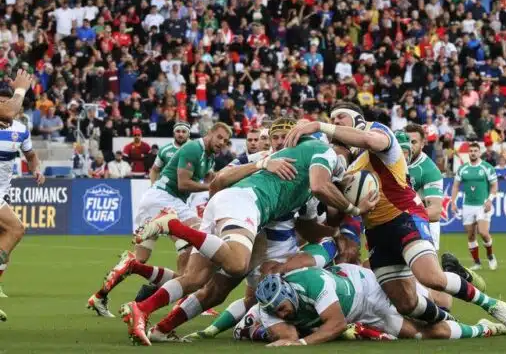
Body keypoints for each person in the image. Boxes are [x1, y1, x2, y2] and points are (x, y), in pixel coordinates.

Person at [283, 101, 506, 332]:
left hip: (404, 217)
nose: (334, 123)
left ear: (356, 120)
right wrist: (343, 202)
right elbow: (335, 218)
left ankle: (494, 305)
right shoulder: (343, 164)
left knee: (431, 278)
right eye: (331, 120)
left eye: (339, 118)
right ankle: (450, 320)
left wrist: (319, 125)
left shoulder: (377, 130)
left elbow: (368, 140)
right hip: (376, 232)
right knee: (406, 303)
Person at [123, 126, 362, 346]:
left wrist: (337, 232)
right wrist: (354, 210)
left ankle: (148, 317)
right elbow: (220, 180)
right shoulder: (299, 155)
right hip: (242, 208)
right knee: (237, 264)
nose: (279, 141)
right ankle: (174, 225)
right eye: (275, 136)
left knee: (201, 283)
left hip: (246, 225)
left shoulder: (306, 181)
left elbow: (308, 225)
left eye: (283, 136)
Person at [86, 123, 229, 318]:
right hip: (165, 200)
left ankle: (100, 296)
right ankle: (177, 297)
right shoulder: (193, 148)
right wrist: (211, 187)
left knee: (140, 260)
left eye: (226, 140)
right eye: (219, 137)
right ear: (209, 133)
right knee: (197, 239)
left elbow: (214, 177)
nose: (222, 142)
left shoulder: (209, 156)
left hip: (158, 201)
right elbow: (183, 183)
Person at [251, 265, 506, 347]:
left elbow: (336, 324)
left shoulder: (313, 282)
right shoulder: (268, 306)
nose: (280, 314)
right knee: (422, 333)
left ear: (290, 293)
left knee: (437, 303)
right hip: (364, 311)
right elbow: (287, 337)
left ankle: (456, 277)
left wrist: (303, 344)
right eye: (275, 312)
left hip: (371, 287)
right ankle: (484, 329)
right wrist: (288, 340)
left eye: (283, 308)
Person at [0, 72, 44, 320]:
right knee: (16, 229)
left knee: (7, 234)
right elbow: (9, 112)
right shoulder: (7, 114)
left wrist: (36, 168)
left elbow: (31, 156)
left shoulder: (19, 130)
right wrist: (20, 90)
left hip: (2, 194)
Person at [450, 143, 499, 270]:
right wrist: (453, 202)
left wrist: (489, 200)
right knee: (471, 235)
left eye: (475, 151)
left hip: (482, 205)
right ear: (468, 153)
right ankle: (477, 262)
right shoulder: (463, 169)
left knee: (483, 232)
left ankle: (490, 256)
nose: (473, 153)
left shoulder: (487, 167)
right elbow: (456, 186)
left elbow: (494, 186)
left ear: (479, 152)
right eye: (471, 151)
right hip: (467, 206)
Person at [403, 124, 444, 250]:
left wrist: (401, 217)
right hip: (397, 223)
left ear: (422, 144)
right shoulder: (391, 162)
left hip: (422, 226)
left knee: (422, 269)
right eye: (405, 141)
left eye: (413, 142)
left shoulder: (429, 170)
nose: (409, 146)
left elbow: (435, 211)